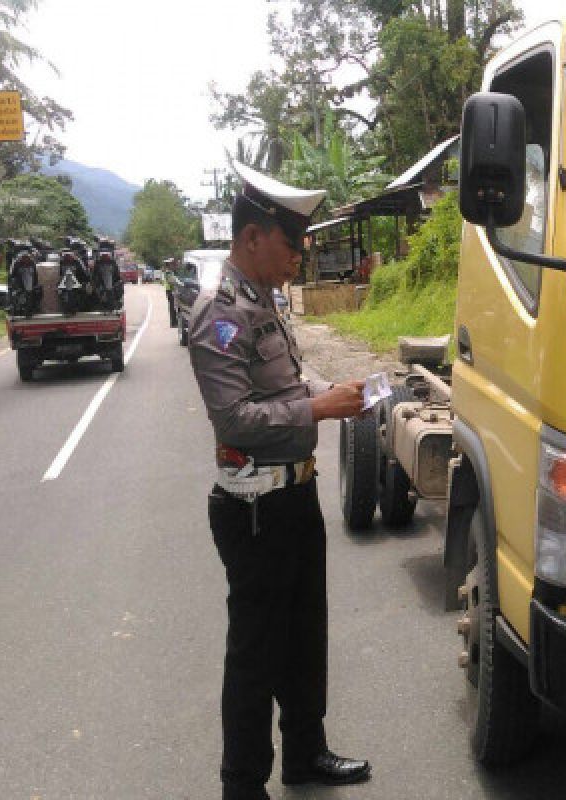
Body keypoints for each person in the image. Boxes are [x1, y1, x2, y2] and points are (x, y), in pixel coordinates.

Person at [188, 161, 372, 800]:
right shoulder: (220, 313)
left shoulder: (266, 301)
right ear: (251, 237)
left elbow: (289, 387)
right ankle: (242, 783)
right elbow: (235, 418)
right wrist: (316, 408)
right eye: (291, 243)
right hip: (253, 508)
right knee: (257, 653)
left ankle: (305, 752)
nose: (299, 255)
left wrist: (336, 392)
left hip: (294, 495)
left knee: (304, 636)